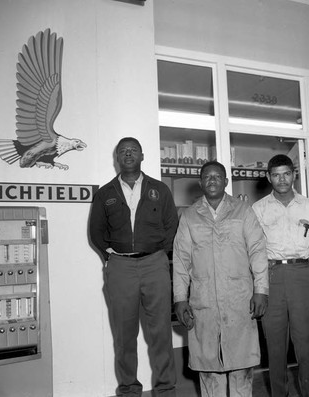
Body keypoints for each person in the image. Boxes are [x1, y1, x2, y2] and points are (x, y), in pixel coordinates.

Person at [89, 137, 178, 397]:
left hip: (154, 264)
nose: (128, 154)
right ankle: (128, 389)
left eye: (133, 150)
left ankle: (165, 389)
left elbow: (171, 226)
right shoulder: (105, 193)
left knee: (160, 331)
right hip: (120, 267)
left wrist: (156, 251)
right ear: (117, 157)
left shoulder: (159, 190)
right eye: (123, 151)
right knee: (124, 335)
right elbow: (96, 232)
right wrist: (111, 257)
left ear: (142, 156)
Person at [172, 161, 269, 397]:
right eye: (207, 177)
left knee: (242, 366)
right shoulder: (189, 216)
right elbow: (181, 260)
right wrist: (179, 299)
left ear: (226, 182)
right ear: (201, 182)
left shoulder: (243, 210)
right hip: (204, 302)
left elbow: (257, 250)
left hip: (239, 300)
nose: (212, 180)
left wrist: (261, 290)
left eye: (218, 177)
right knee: (208, 368)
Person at [252, 154, 309, 397]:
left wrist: (301, 269)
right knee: (275, 346)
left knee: (306, 346)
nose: (282, 179)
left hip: (301, 273)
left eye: (287, 173)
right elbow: (254, 249)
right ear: (268, 177)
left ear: (294, 175)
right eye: (276, 174)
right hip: (271, 276)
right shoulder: (258, 209)